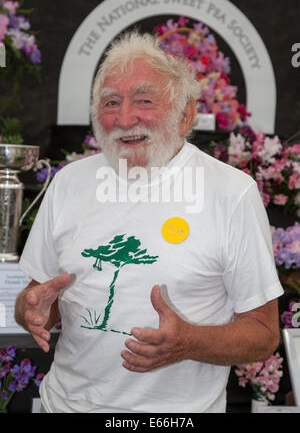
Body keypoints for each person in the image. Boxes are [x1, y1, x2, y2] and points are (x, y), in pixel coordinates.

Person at [15, 31, 283, 413]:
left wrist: (187, 342)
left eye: (144, 100)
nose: (124, 118)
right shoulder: (69, 183)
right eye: (110, 102)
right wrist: (32, 310)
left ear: (186, 114)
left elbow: (263, 333)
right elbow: (39, 299)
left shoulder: (232, 193)